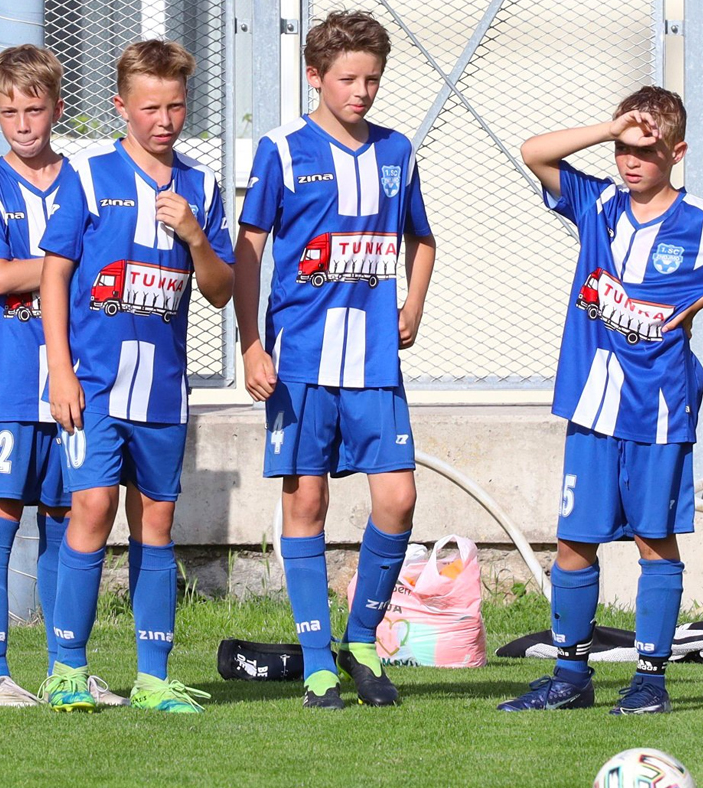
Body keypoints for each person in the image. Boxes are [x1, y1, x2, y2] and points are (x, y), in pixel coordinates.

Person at [498, 85, 703, 715]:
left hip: (659, 409)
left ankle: (651, 680)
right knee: (575, 541)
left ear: (677, 152)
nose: (632, 162)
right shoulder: (599, 204)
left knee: (654, 541)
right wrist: (608, 128)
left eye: (648, 150)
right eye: (625, 149)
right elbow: (534, 153)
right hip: (592, 405)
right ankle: (569, 677)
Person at [234, 10, 436, 709]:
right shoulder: (283, 150)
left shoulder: (397, 151)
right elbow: (250, 248)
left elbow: (423, 239)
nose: (362, 91)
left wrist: (412, 305)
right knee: (308, 500)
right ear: (316, 76)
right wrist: (251, 343)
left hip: (376, 359)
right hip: (301, 360)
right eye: (348, 78)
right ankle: (318, 659)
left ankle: (360, 639)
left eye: (373, 78)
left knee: (399, 498)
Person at [36, 39, 235, 714]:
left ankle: (153, 677)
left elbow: (219, 290)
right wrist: (60, 371)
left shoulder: (202, 188)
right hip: (92, 386)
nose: (164, 119)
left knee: (156, 524)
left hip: (163, 393)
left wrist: (197, 238)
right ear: (122, 106)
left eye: (176, 105)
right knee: (90, 509)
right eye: (150, 106)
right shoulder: (90, 178)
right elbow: (55, 275)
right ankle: (67, 670)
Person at [0, 44, 124, 708]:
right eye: (10, 111)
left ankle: (65, 671)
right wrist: (68, 265)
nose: (24, 123)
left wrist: (61, 265)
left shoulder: (84, 183)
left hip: (74, 380)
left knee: (66, 514)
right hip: (11, 381)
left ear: (57, 108)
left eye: (35, 108)